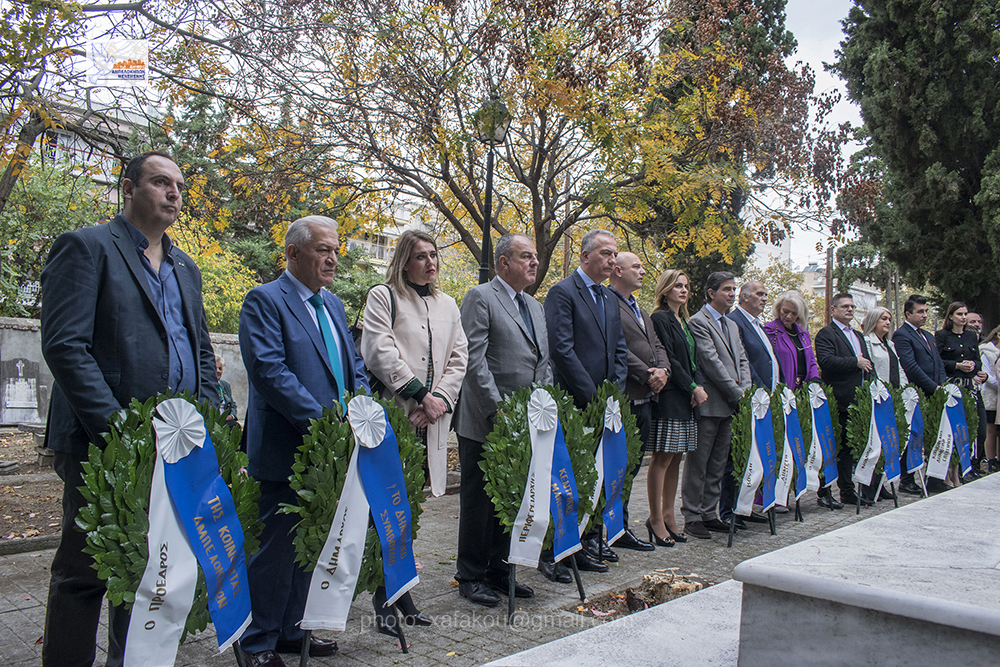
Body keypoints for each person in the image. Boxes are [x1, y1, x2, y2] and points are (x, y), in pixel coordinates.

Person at [39, 150, 219, 667]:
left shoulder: (186, 267)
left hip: (174, 447)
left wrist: (203, 421)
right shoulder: (87, 247)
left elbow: (201, 352)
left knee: (144, 569)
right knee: (85, 571)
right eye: (160, 182)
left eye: (179, 186)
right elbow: (66, 347)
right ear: (129, 188)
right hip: (102, 443)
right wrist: (119, 432)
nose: (173, 193)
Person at [238, 215, 367, 667]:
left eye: (336, 251)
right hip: (286, 447)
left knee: (309, 541)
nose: (332, 259)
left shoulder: (332, 305)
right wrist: (325, 424)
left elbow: (353, 365)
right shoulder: (264, 300)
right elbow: (270, 371)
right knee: (275, 549)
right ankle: (256, 641)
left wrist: (363, 410)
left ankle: (293, 629)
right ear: (293, 253)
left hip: (331, 451)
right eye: (322, 250)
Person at [361, 229, 467, 634]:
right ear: (404, 261)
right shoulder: (384, 296)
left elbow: (459, 357)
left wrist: (437, 401)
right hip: (394, 419)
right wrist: (420, 396)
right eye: (421, 256)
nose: (430, 262)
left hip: (430, 422)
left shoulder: (448, 304)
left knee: (409, 510)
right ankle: (383, 598)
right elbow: (379, 351)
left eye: (434, 255)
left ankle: (401, 590)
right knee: (385, 510)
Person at [454, 234, 550, 606]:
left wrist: (543, 404)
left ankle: (499, 570)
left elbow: (543, 362)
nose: (534, 262)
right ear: (503, 262)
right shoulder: (481, 297)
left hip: (526, 421)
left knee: (510, 498)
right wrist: (497, 409)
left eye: (535, 257)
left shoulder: (535, 306)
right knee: (479, 501)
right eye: (526, 256)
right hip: (487, 419)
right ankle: (470, 575)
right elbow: (474, 359)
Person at [544, 228, 627, 575]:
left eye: (615, 254)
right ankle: (552, 553)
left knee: (595, 477)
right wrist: (593, 398)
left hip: (604, 408)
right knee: (566, 480)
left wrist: (612, 396)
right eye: (606, 253)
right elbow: (562, 350)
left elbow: (619, 350)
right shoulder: (563, 292)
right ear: (585, 256)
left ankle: (583, 543)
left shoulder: (609, 298)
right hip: (575, 403)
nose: (612, 260)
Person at [683, 271, 751, 540]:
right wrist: (737, 393)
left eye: (734, 289)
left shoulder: (732, 325)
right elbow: (711, 362)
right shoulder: (698, 321)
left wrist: (744, 392)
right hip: (710, 402)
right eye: (726, 289)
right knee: (699, 463)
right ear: (711, 293)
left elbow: (742, 360)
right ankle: (692, 515)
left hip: (731, 404)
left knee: (718, 462)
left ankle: (710, 512)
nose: (732, 294)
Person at [607, 251, 667, 552]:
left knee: (631, 468)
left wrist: (663, 370)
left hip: (646, 399)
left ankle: (621, 527)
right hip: (625, 397)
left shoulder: (640, 310)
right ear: (618, 271)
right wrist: (647, 374)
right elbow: (618, 347)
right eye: (637, 266)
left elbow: (656, 345)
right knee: (616, 469)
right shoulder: (608, 303)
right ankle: (608, 529)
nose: (643, 271)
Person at [648, 270, 708, 545]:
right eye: (677, 286)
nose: (683, 290)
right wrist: (691, 386)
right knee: (662, 458)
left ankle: (669, 515)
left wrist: (696, 387)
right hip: (671, 395)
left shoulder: (684, 321)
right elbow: (670, 359)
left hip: (686, 396)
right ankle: (655, 519)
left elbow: (693, 360)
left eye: (686, 286)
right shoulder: (660, 318)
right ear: (665, 290)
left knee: (676, 458)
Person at [724, 280, 780, 524]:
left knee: (753, 454)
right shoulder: (735, 321)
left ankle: (745, 507)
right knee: (737, 456)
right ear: (744, 297)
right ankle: (730, 509)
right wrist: (759, 390)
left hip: (765, 400)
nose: (764, 298)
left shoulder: (758, 324)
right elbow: (744, 361)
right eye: (760, 293)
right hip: (750, 398)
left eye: (766, 294)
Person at [814, 293, 873, 507]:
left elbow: (867, 364)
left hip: (856, 401)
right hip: (837, 399)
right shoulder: (826, 333)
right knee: (831, 447)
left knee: (848, 450)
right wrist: (854, 362)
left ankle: (847, 490)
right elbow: (826, 361)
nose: (850, 310)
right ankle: (824, 491)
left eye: (852, 307)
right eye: (845, 306)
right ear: (833, 310)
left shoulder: (857, 335)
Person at [892, 294, 948, 494]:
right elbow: (911, 366)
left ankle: (934, 477)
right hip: (916, 394)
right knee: (913, 436)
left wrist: (942, 385)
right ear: (908, 314)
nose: (925, 315)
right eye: (920, 312)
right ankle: (907, 480)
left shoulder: (928, 336)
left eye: (926, 311)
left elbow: (938, 363)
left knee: (934, 434)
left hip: (934, 392)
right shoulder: (902, 335)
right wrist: (933, 386)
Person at [935, 301, 987, 482]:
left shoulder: (971, 336)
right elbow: (938, 361)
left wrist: (974, 365)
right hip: (952, 386)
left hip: (970, 387)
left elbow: (978, 360)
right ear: (950, 316)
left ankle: (966, 467)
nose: (963, 317)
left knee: (976, 429)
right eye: (959, 314)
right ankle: (951, 473)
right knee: (952, 429)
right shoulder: (942, 335)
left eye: (965, 314)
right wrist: (956, 365)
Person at [763, 290, 820, 390]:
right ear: (779, 308)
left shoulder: (803, 331)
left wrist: (815, 381)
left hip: (804, 388)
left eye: (794, 313)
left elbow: (811, 360)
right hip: (783, 388)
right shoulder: (771, 330)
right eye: (785, 311)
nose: (789, 316)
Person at [862, 307, 907, 389]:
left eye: (889, 320)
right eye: (884, 319)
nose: (888, 323)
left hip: (895, 391)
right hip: (877, 391)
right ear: (873, 320)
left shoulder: (890, 344)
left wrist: (904, 389)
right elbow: (869, 371)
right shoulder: (867, 342)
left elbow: (899, 370)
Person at [979, 325, 1000, 474]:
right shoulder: (987, 351)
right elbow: (986, 374)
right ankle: (991, 460)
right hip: (991, 393)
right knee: (991, 430)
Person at [215, 353, 240, 428]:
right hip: (212, 420)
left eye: (220, 368)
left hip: (225, 420)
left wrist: (231, 416)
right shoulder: (204, 385)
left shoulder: (225, 385)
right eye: (215, 368)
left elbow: (232, 404)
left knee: (236, 426)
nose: (218, 371)